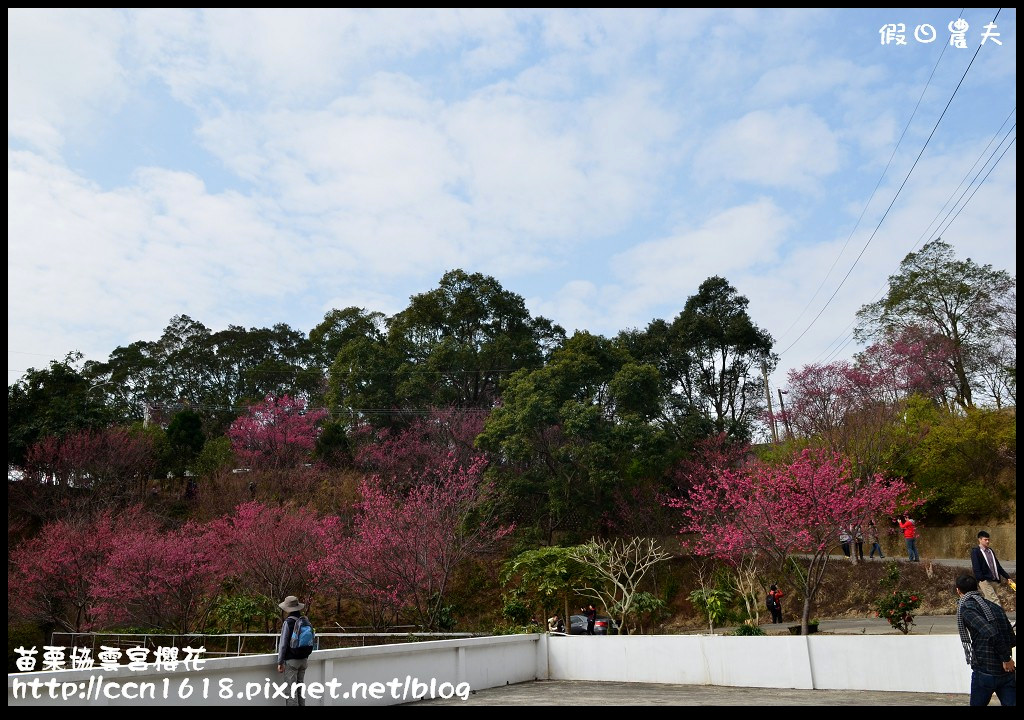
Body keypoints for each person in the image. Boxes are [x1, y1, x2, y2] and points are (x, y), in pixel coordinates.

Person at [955, 574, 1016, 706]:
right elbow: (1012, 638)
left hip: (985, 671)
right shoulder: (995, 607)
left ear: (958, 590)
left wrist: (1005, 658)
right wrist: (1006, 658)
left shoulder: (967, 608)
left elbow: (990, 632)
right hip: (1006, 671)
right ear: (976, 588)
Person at [277, 595, 311, 706]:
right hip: (304, 660)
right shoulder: (305, 620)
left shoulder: (288, 622)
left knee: (291, 692)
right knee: (300, 690)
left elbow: (283, 644)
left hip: (292, 661)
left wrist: (280, 662)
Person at [971, 531, 1012, 607]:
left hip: (994, 580)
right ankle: (1002, 618)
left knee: (990, 602)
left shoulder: (990, 551)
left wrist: (1007, 577)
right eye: (985, 539)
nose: (987, 541)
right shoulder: (976, 551)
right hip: (985, 581)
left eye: (988, 540)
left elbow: (998, 566)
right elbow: (976, 567)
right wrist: (981, 579)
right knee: (994, 600)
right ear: (980, 540)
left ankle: (988, 617)